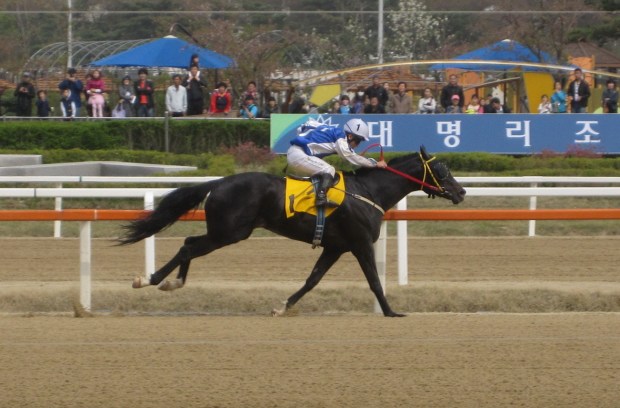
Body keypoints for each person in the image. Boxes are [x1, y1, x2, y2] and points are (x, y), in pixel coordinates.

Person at [286, 118, 388, 208]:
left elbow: (307, 124)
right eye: (358, 141)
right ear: (350, 136)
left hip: (296, 153)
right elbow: (351, 157)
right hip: (299, 156)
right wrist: (375, 164)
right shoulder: (341, 139)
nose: (357, 145)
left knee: (322, 172)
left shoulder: (331, 129)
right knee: (329, 170)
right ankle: (321, 198)